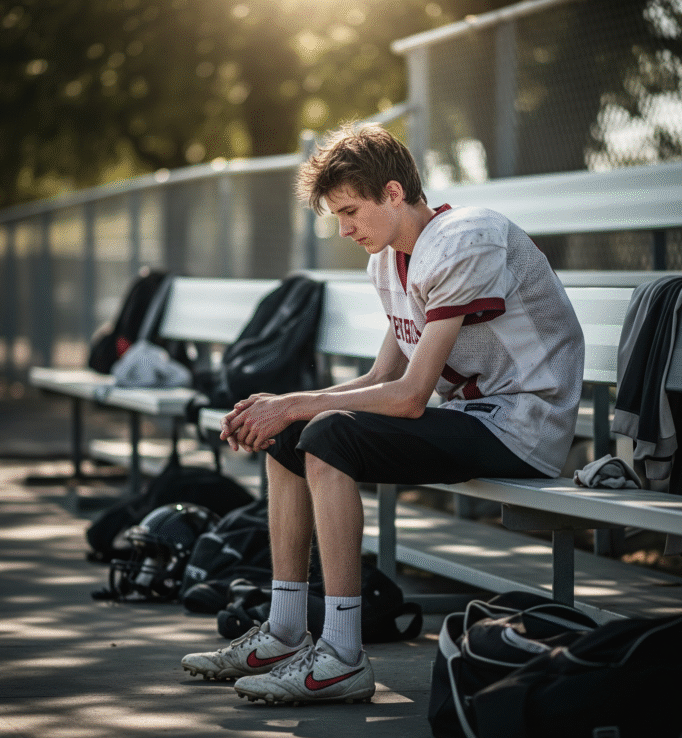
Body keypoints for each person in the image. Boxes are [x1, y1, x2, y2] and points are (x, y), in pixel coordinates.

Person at [180, 124, 585, 705]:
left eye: (351, 211)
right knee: (293, 436)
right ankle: (286, 631)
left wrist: (298, 403)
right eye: (337, 217)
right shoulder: (388, 260)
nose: (344, 229)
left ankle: (342, 655)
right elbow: (379, 380)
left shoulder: (466, 238)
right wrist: (280, 410)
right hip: (475, 417)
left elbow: (412, 396)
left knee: (326, 434)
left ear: (393, 193)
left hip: (524, 425)